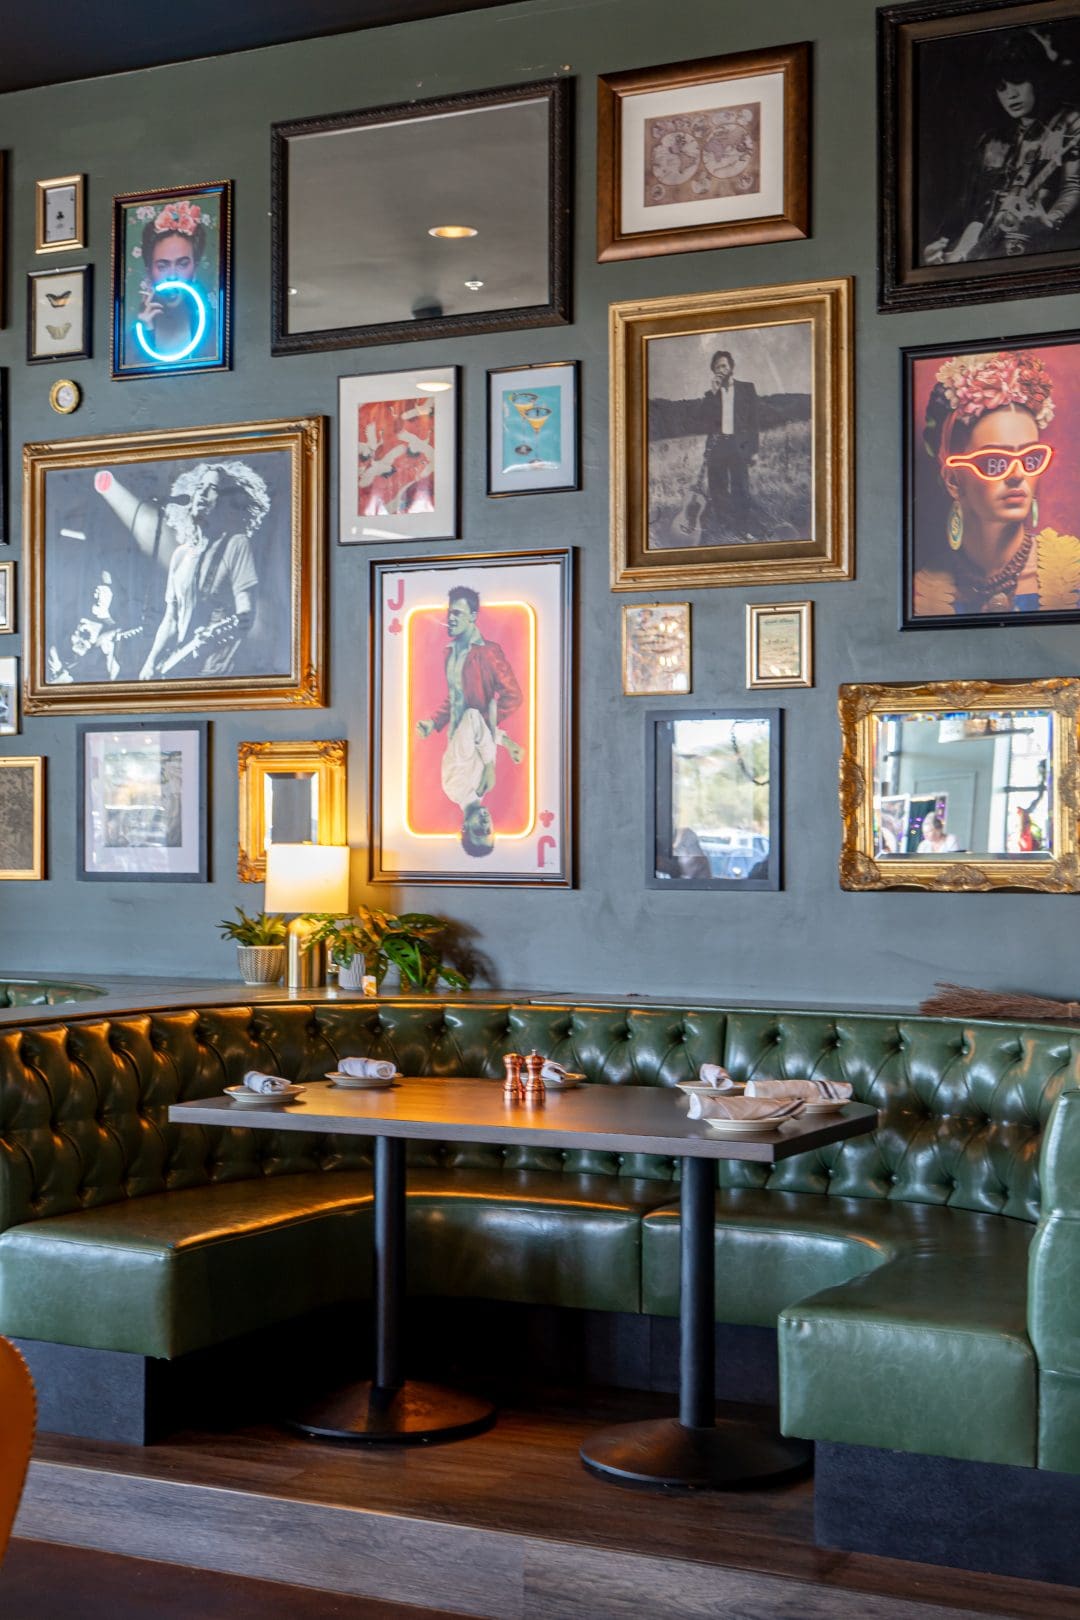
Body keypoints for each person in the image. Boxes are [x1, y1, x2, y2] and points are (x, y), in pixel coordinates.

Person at [914, 348, 1078, 618]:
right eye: (994, 462)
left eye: (1031, 459)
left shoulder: (1071, 575)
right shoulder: (923, 592)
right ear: (953, 480)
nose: (1017, 474)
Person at [923, 29, 1080, 264]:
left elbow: (1073, 186)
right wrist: (945, 247)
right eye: (1001, 86)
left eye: (1018, 80)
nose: (1010, 94)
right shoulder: (992, 142)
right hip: (986, 255)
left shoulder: (1070, 121)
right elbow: (972, 210)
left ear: (1037, 76)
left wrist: (1050, 220)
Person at [415, 586, 523, 858]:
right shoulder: (449, 652)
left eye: (457, 613)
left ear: (473, 616)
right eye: (449, 612)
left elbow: (506, 700)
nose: (450, 618)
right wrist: (434, 722)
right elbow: (456, 699)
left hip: (468, 727)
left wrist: (490, 763)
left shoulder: (489, 652)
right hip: (466, 728)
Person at [138, 461, 270, 680]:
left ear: (227, 501)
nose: (203, 493)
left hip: (217, 670)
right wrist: (150, 662)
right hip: (181, 668)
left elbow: (246, 614)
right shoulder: (180, 555)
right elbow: (171, 618)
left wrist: (215, 632)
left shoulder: (236, 544)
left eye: (213, 488)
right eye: (200, 487)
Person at [678, 350, 760, 543]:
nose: (721, 370)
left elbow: (754, 422)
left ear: (731, 367)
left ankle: (742, 529)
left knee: (741, 488)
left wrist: (754, 450)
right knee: (718, 490)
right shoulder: (711, 394)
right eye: (717, 367)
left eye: (724, 365)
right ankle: (726, 527)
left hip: (739, 446)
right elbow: (702, 420)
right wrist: (713, 394)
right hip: (717, 447)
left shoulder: (747, 388)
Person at [128, 198, 215, 366]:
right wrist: (147, 331)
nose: (172, 276)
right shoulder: (131, 341)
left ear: (195, 268)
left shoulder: (215, 334)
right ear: (149, 272)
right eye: (162, 266)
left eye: (182, 264)